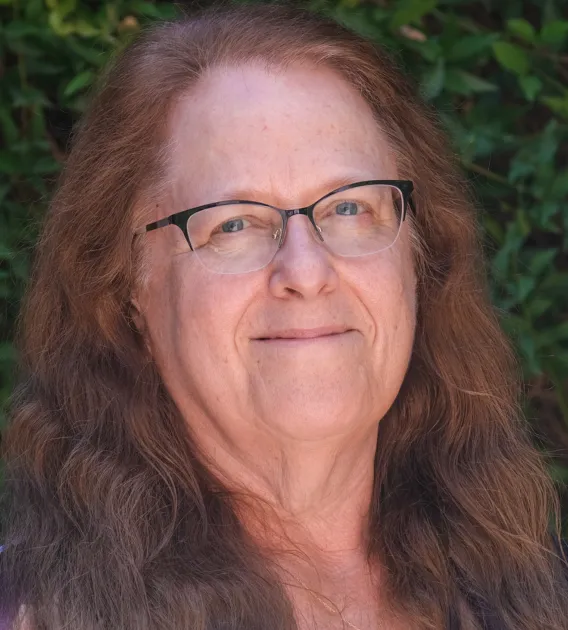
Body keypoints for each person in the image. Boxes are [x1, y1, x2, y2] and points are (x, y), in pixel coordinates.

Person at [1, 4, 567, 629]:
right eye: (234, 224)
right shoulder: (35, 616)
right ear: (127, 286)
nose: (306, 271)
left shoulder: (529, 588)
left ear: (420, 253)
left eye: (350, 209)